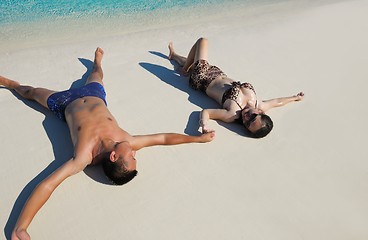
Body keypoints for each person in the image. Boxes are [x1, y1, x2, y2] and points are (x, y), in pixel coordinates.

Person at [1, 47, 215, 240]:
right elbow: (164, 139)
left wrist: (21, 227)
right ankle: (97, 62)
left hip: (63, 103)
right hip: (95, 95)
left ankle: (11, 85)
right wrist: (196, 139)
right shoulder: (127, 141)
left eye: (131, 158)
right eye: (133, 157)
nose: (134, 153)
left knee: (30, 92)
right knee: (96, 75)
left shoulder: (84, 156)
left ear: (114, 156)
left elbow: (48, 184)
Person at [168, 37, 305, 138]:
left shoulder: (232, 114)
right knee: (193, 61)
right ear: (260, 112)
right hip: (218, 73)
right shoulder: (260, 104)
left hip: (201, 78)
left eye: (247, 124)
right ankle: (174, 56)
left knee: (202, 42)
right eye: (252, 118)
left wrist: (204, 126)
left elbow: (206, 112)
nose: (246, 118)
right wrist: (295, 98)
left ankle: (185, 70)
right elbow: (277, 102)